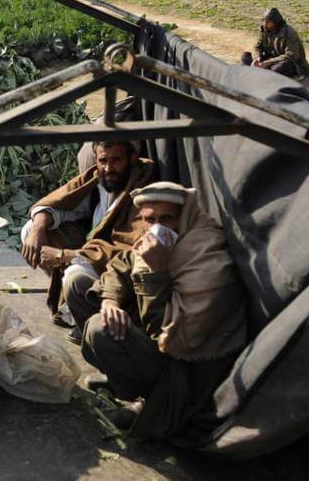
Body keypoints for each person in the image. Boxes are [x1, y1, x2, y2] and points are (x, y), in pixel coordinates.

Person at [80, 182, 247, 440]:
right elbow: (120, 265)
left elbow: (169, 337)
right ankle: (121, 378)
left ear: (185, 216)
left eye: (167, 218)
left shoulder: (205, 254)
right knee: (83, 289)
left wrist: (156, 274)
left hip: (188, 370)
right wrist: (110, 301)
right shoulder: (155, 241)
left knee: (99, 330)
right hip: (162, 346)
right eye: (150, 219)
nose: (158, 227)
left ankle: (153, 401)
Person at [20, 139, 155, 340]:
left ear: (132, 158)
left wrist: (64, 256)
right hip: (91, 254)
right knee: (31, 229)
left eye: (116, 160)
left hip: (116, 271)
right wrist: (39, 226)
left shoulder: (142, 190)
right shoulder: (98, 178)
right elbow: (63, 204)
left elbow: (130, 254)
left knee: (75, 276)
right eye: (103, 160)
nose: (109, 168)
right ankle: (74, 310)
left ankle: (95, 329)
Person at [241, 7, 309, 79]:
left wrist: (267, 63)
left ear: (275, 22)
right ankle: (261, 73)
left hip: (289, 63)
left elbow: (291, 56)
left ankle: (260, 74)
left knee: (282, 67)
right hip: (270, 59)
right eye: (264, 20)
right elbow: (258, 46)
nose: (265, 24)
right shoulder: (264, 30)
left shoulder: (290, 33)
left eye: (268, 22)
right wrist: (257, 58)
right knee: (245, 56)